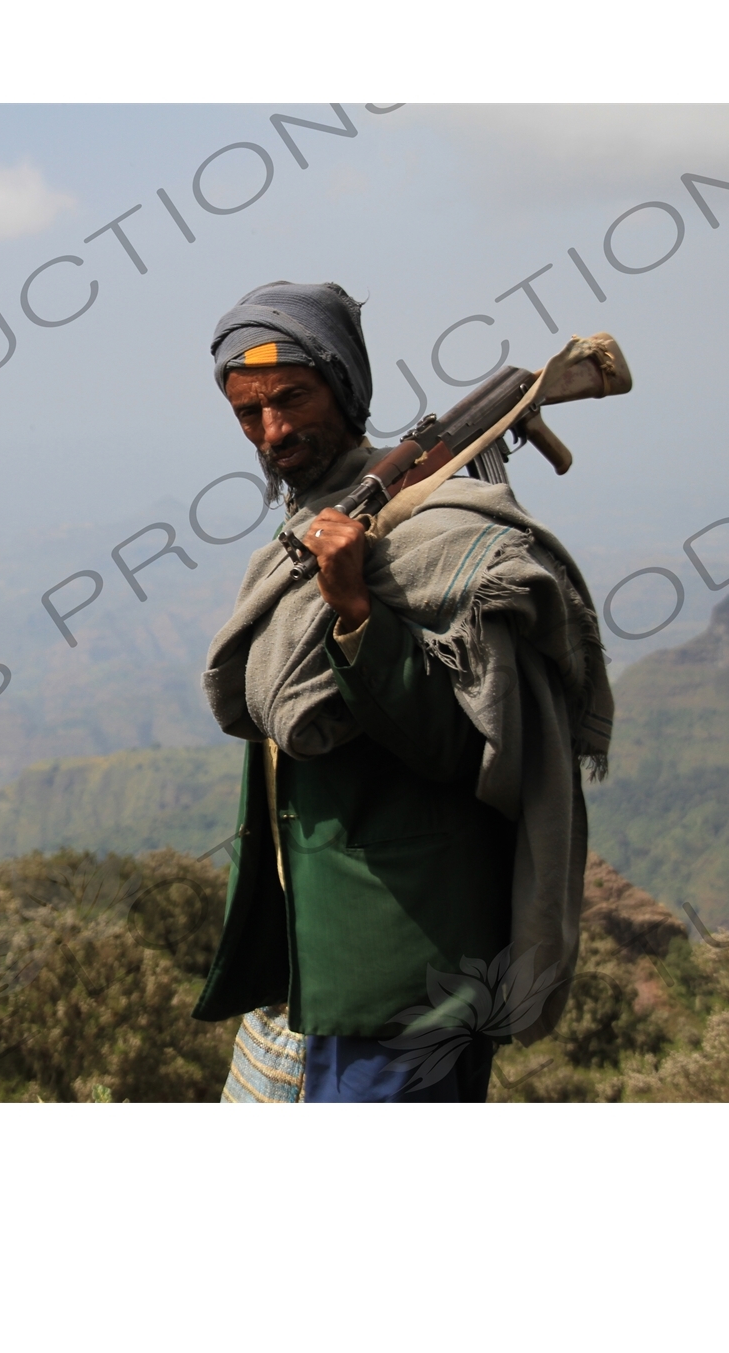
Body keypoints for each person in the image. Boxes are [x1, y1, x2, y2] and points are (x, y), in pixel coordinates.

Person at [191, 280, 614, 1102]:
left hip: (408, 967)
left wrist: (355, 612)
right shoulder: (325, 520)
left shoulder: (437, 532)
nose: (272, 430)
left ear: (343, 389)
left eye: (291, 399)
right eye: (249, 413)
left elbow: (462, 746)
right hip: (329, 955)